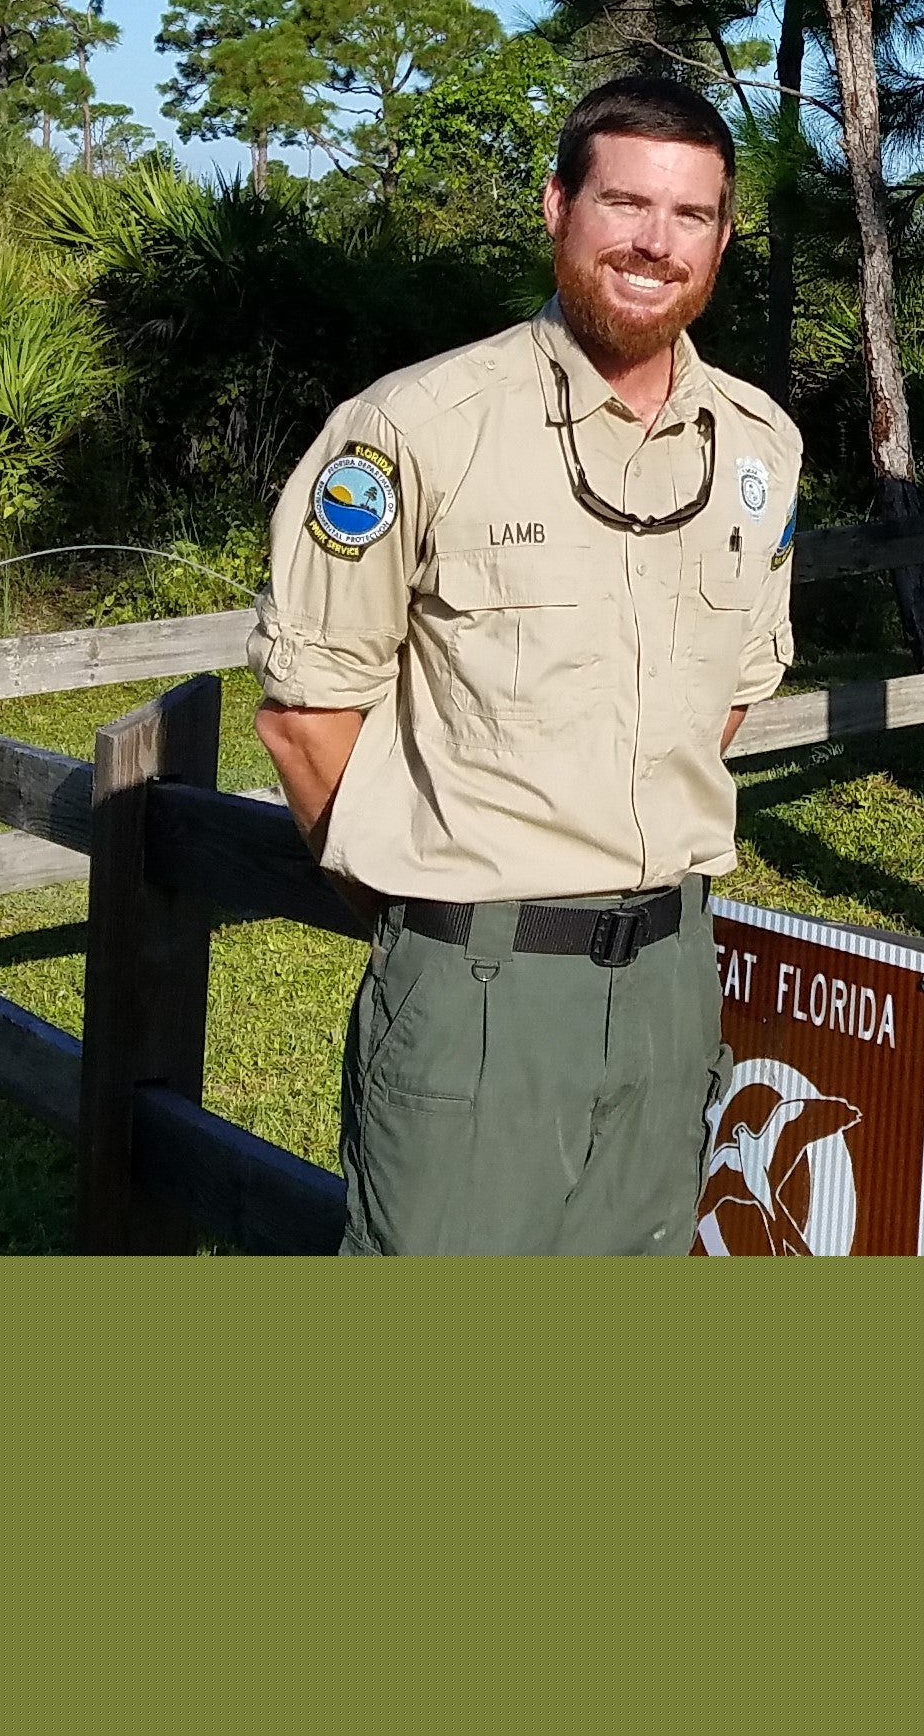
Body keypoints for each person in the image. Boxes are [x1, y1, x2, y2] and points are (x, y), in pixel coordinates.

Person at [252, 75, 799, 1255]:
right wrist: (439, 917)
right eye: (624, 203)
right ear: (556, 207)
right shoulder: (416, 428)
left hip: (672, 982)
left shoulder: (759, 445)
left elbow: (728, 698)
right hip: (479, 989)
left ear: (723, 236)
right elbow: (306, 719)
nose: (656, 242)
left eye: (691, 215)